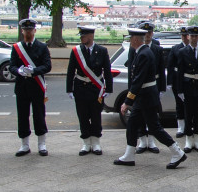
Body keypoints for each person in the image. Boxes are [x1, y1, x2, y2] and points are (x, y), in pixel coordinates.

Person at [114, 28, 186, 169]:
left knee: (154, 128)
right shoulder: (141, 52)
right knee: (133, 124)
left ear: (135, 39)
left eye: (130, 38)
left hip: (146, 97)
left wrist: (127, 101)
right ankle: (129, 155)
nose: (129, 40)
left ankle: (178, 152)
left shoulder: (144, 54)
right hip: (143, 97)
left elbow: (138, 80)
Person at [66, 26, 113, 155]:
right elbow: (70, 71)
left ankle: (96, 142)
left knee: (96, 116)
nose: (81, 38)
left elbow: (107, 71)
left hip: (96, 89)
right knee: (83, 116)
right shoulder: (76, 51)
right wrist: (69, 89)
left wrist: (108, 88)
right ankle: (86, 143)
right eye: (80, 36)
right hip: (81, 87)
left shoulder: (102, 51)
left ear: (91, 36)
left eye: (84, 36)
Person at [10, 19, 52, 156]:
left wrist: (34, 70)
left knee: (39, 115)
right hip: (22, 86)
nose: (28, 32)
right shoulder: (17, 48)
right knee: (22, 115)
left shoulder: (42, 47)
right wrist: (18, 71)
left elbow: (47, 66)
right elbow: (11, 66)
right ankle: (24, 145)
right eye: (25, 30)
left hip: (36, 85)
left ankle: (42, 144)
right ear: (22, 31)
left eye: (30, 30)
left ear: (34, 30)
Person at [177, 25, 198, 153]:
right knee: (188, 113)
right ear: (188, 37)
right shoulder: (182, 52)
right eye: (192, 36)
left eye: (196, 36)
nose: (194, 38)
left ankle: (197, 139)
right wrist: (179, 90)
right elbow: (180, 72)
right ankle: (188, 139)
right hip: (188, 86)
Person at [135, 21, 165, 154]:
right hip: (140, 87)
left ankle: (152, 141)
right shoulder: (135, 48)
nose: (148, 35)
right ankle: (142, 141)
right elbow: (132, 71)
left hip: (154, 85)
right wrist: (132, 89)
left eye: (150, 32)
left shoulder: (158, 49)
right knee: (140, 113)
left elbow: (161, 69)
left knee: (153, 114)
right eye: (145, 32)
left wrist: (162, 88)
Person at [167, 26, 189, 137]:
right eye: (183, 35)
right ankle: (181, 128)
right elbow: (170, 66)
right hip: (177, 80)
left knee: (189, 105)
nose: (185, 37)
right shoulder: (175, 48)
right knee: (179, 104)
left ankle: (189, 126)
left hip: (189, 80)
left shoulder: (193, 49)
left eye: (186, 35)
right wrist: (169, 82)